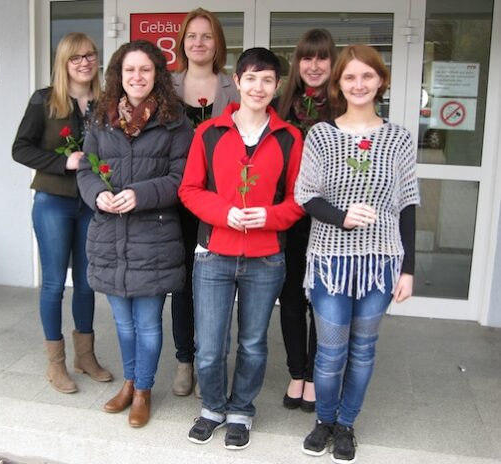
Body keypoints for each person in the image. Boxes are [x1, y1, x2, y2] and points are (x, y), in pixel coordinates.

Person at [296, 44, 419, 463]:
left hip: (382, 261)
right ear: (339, 84)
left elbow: (407, 205)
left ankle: (347, 424)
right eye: (350, 77)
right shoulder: (322, 136)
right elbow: (306, 196)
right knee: (331, 351)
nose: (359, 84)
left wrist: (409, 269)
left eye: (367, 76)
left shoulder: (398, 138)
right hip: (330, 259)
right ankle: (324, 420)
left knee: (363, 350)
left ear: (380, 81)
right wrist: (342, 216)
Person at [179, 48, 305, 450]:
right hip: (214, 254)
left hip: (266, 258)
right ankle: (213, 407)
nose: (258, 87)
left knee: (252, 342)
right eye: (251, 78)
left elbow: (299, 201)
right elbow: (190, 190)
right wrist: (224, 213)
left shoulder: (288, 137)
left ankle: (241, 411)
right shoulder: (210, 133)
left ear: (277, 86)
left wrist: (267, 217)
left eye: (267, 80)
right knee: (210, 344)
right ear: (236, 81)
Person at [76, 40, 194, 428]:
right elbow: (86, 170)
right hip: (110, 234)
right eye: (130, 70)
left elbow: (181, 179)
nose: (137, 77)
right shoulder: (100, 118)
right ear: (118, 75)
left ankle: (143, 390)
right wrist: (98, 196)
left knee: (146, 322)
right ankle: (128, 383)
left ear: (157, 74)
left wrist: (139, 195)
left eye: (145, 70)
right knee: (122, 323)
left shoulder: (176, 120)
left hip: (153, 237)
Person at [12, 32, 112, 394]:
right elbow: (20, 149)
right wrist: (61, 161)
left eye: (90, 56)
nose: (85, 62)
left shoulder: (105, 102)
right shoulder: (44, 100)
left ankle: (85, 357)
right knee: (55, 283)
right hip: (53, 201)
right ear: (64, 63)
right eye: (76, 58)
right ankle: (55, 365)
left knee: (87, 282)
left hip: (90, 203)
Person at [169, 7, 240, 397]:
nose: (199, 43)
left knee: (214, 283)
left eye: (207, 36)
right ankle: (185, 361)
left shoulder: (234, 88)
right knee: (182, 282)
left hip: (219, 201)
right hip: (175, 200)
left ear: (218, 43)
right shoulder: (166, 85)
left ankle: (211, 361)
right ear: (182, 42)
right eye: (192, 36)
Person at [275, 29, 337, 413]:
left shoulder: (343, 106)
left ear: (333, 63)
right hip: (291, 218)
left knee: (322, 299)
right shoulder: (282, 106)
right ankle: (297, 373)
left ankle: (315, 375)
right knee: (292, 297)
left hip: (329, 219)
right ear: (298, 64)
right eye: (307, 58)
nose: (314, 66)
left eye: (322, 58)